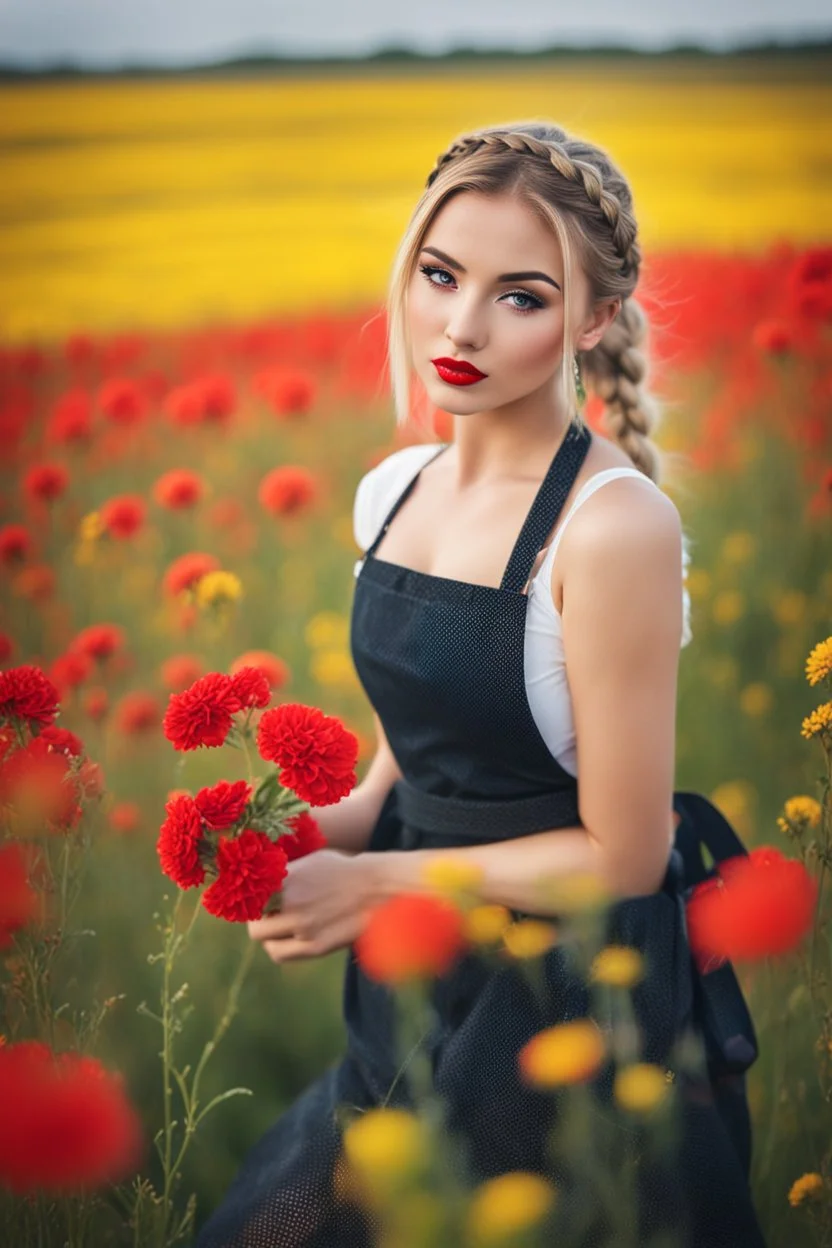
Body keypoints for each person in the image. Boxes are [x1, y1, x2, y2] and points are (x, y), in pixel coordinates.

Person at [196, 122, 766, 1247]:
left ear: (594, 320)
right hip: (415, 984)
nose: (459, 327)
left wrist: (377, 886)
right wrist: (338, 823)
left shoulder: (612, 530)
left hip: (561, 998)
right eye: (440, 275)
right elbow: (424, 731)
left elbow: (625, 856)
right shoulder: (393, 491)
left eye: (521, 295)